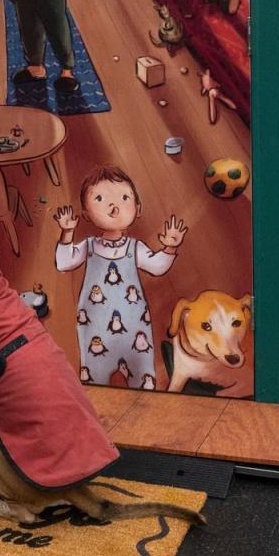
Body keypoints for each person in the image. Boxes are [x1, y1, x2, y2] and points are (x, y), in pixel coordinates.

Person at [52, 165, 187, 391]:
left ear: (138, 208)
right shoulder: (89, 246)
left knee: (144, 383)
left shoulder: (136, 248)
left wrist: (170, 248)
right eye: (100, 198)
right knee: (95, 382)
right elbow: (64, 262)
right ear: (85, 213)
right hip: (95, 328)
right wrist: (67, 234)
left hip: (135, 328)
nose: (113, 207)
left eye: (124, 197)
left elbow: (156, 266)